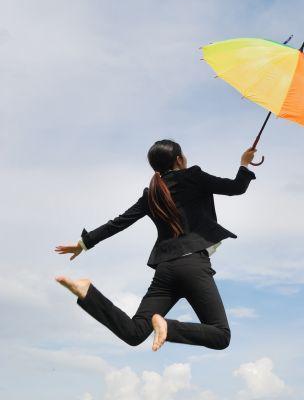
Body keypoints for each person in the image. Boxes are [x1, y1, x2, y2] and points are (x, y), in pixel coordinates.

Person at [55, 140, 257, 351]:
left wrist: (84, 243)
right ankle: (167, 328)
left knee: (134, 332)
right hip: (193, 265)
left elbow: (119, 222)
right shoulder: (194, 177)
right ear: (179, 159)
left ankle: (88, 293)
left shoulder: (152, 192)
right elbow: (236, 187)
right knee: (220, 335)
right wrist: (244, 163)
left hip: (165, 269)